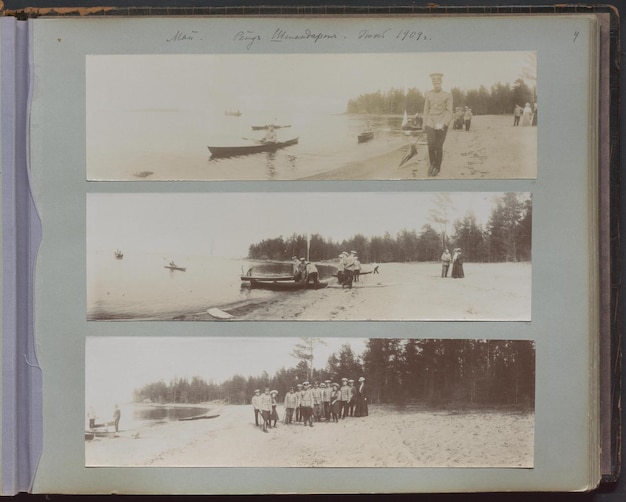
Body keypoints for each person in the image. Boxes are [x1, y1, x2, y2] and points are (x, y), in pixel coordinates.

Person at [423, 73, 453, 177]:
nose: (436, 85)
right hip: (430, 122)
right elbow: (426, 110)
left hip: (441, 123)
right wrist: (424, 124)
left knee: (438, 146)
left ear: (441, 82)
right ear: (432, 83)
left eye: (438, 83)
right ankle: (432, 164)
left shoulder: (448, 95)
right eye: (434, 83)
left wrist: (443, 123)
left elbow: (449, 112)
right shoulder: (428, 94)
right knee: (431, 144)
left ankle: (437, 168)